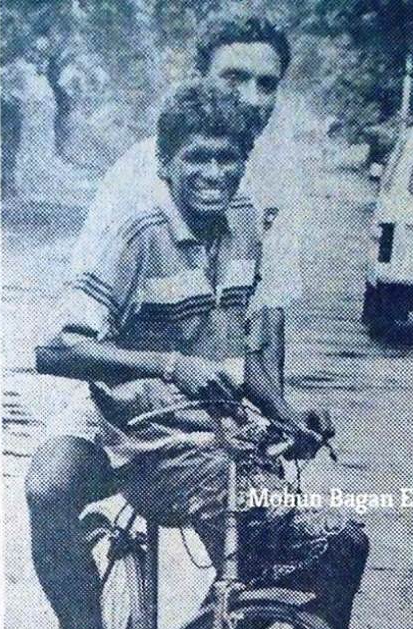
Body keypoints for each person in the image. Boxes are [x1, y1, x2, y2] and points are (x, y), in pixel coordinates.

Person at [25, 79, 368, 629]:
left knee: (336, 548)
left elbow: (240, 352)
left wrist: (285, 413)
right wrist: (167, 364)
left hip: (216, 436)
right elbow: (56, 349)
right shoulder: (136, 232)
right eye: (198, 160)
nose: (214, 176)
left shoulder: (245, 222)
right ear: (165, 161)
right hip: (145, 439)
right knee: (50, 490)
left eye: (229, 161)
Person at [73, 10, 304, 386]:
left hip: (212, 403)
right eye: (234, 78)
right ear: (198, 79)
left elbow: (269, 312)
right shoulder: (138, 174)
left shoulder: (275, 181)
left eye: (267, 84)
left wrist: (277, 419)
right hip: (127, 401)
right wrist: (168, 370)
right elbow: (88, 317)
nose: (251, 98)